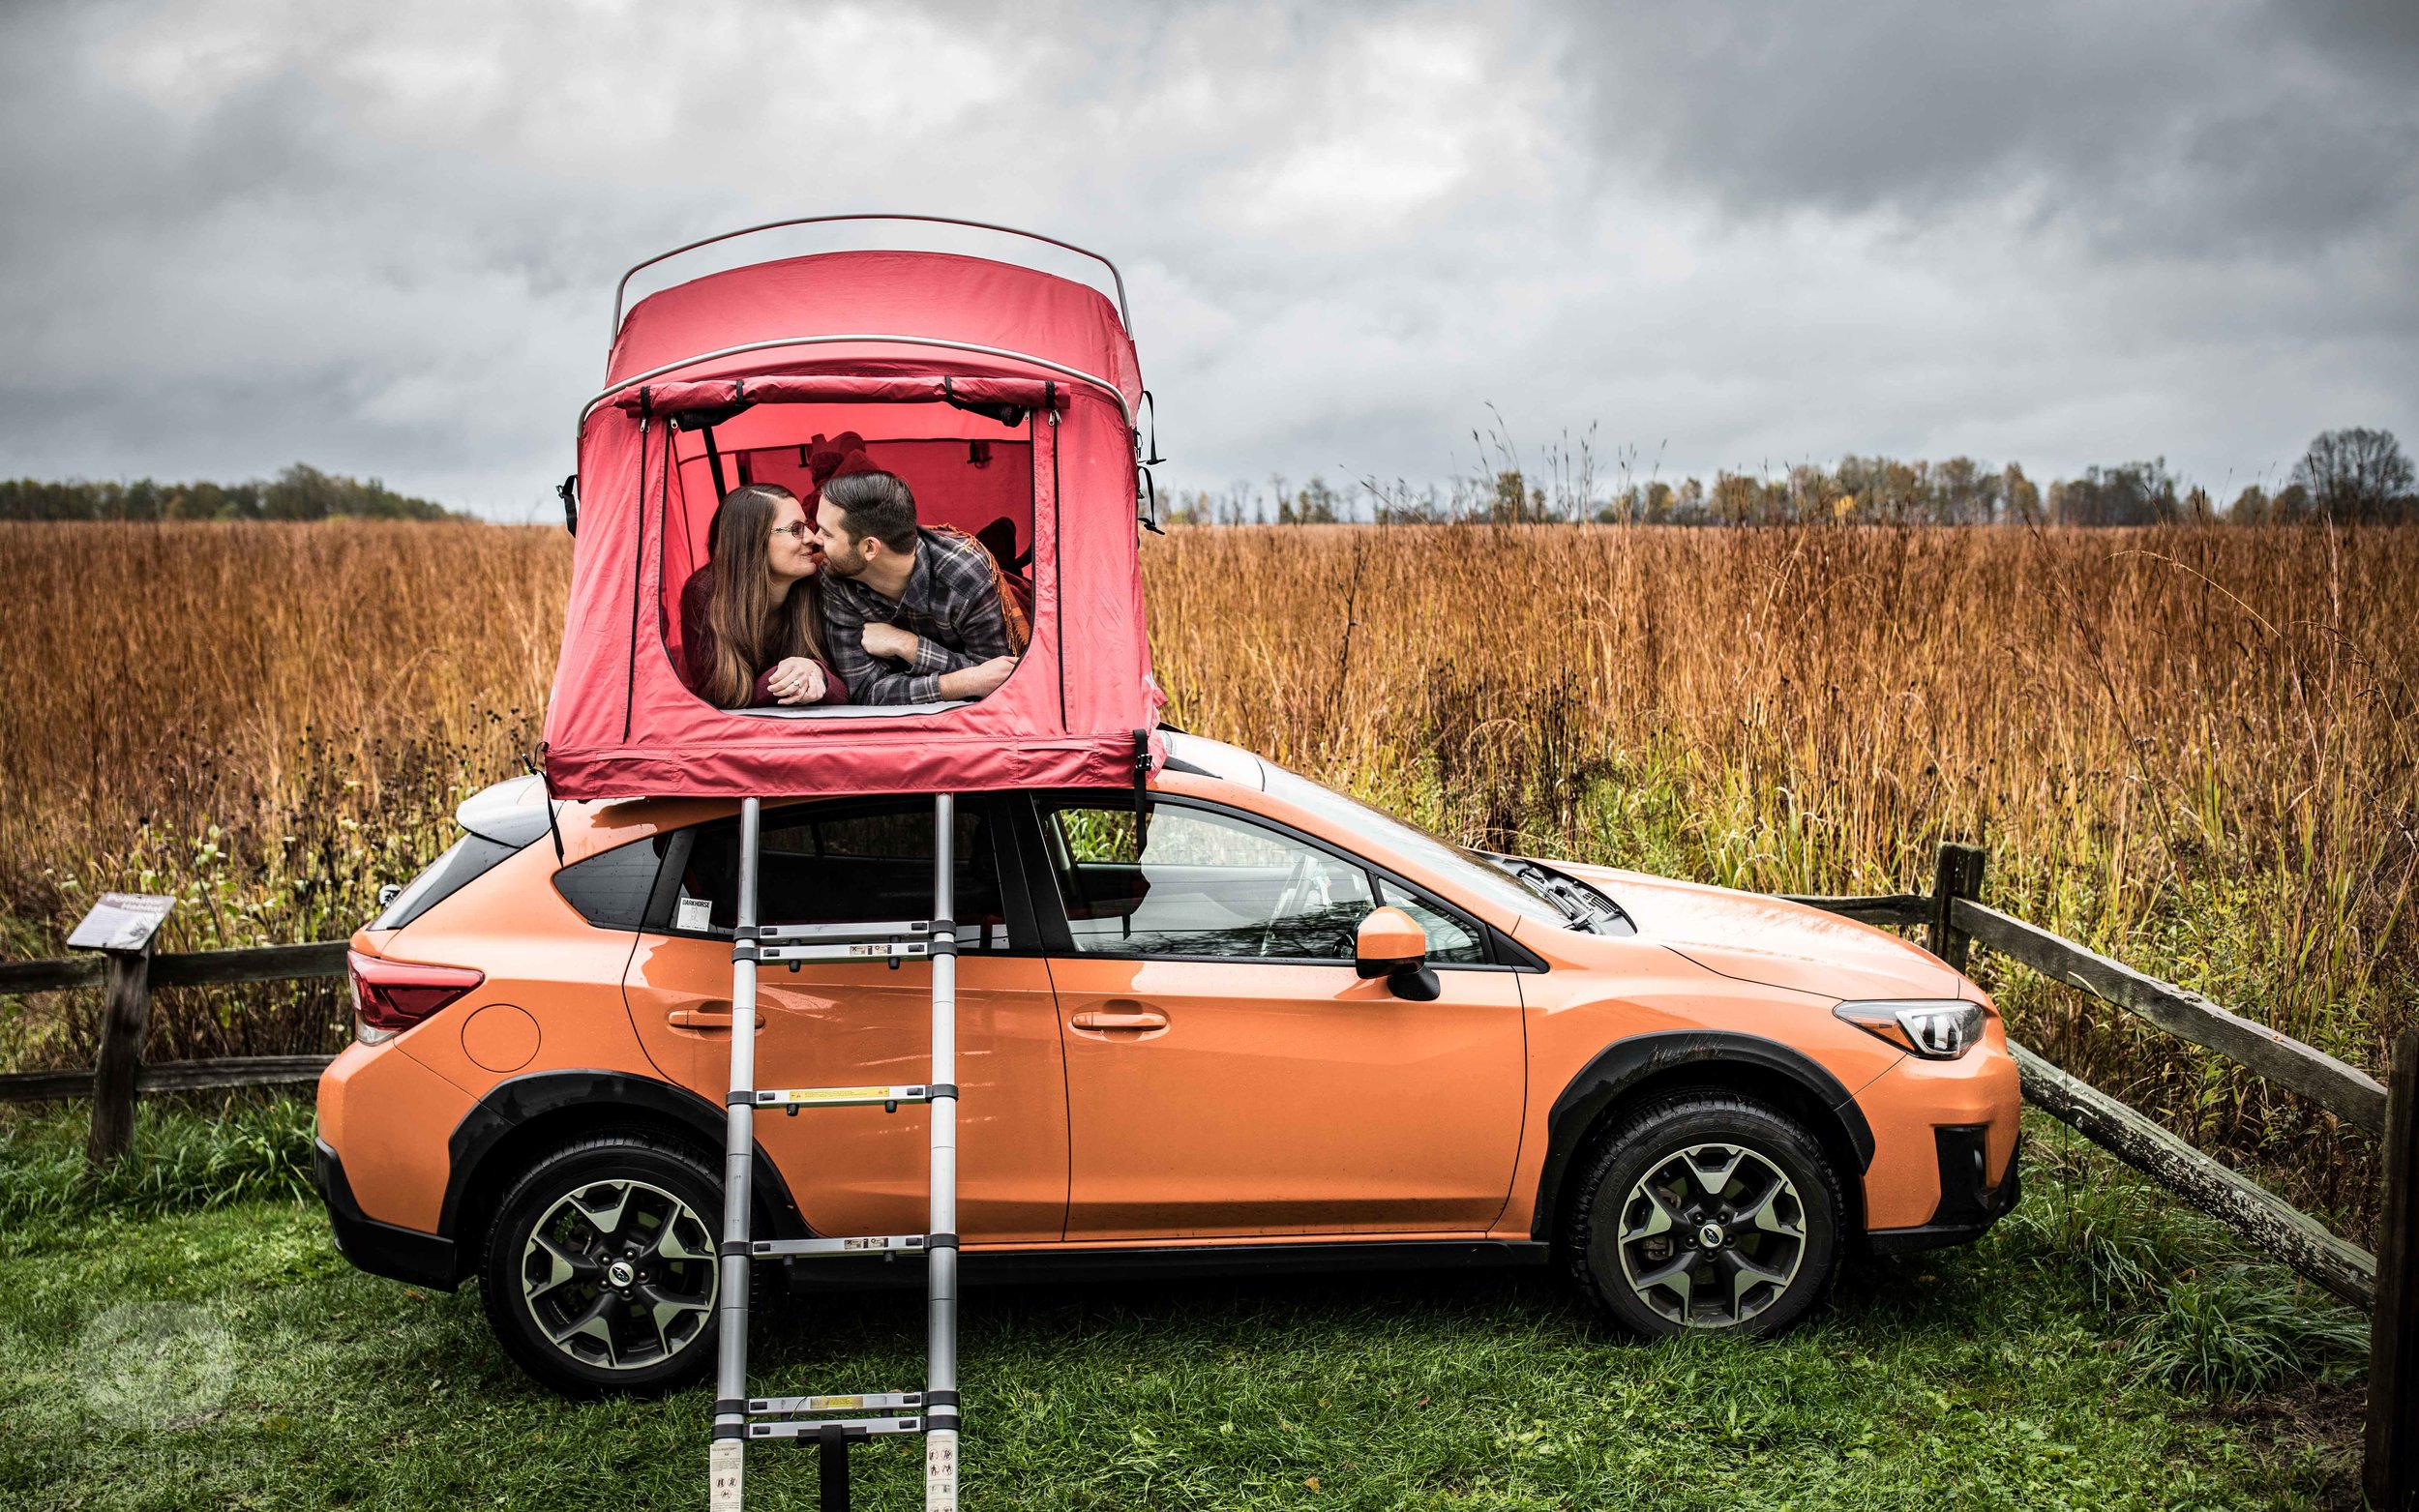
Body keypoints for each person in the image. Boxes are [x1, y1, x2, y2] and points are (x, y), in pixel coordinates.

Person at [815, 469, 1021, 704]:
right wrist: (965, 680)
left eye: (827, 533)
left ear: (870, 548)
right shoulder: (834, 576)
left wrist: (908, 645)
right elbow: (865, 691)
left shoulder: (964, 579)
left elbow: (999, 681)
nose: (814, 539)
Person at [676, 484, 849, 709]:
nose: (812, 538)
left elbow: (850, 688)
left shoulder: (819, 586)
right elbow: (717, 697)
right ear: (753, 540)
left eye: (808, 525)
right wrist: (782, 678)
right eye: (796, 529)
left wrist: (818, 672)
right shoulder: (704, 593)